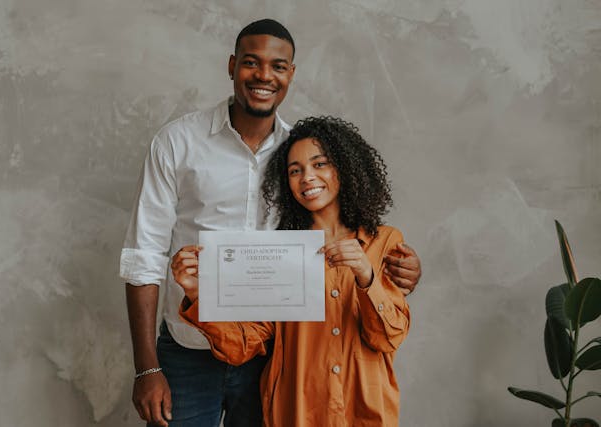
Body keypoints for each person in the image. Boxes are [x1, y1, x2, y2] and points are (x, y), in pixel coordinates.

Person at [121, 19, 421, 427]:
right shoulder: (178, 142)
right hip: (193, 347)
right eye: (251, 62)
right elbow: (144, 254)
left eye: (278, 66)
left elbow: (384, 309)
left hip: (271, 355)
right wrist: (147, 367)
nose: (264, 75)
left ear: (291, 74)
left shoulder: (296, 147)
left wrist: (392, 272)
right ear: (232, 66)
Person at [174, 116, 411, 426]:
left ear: (345, 168)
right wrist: (196, 293)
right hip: (297, 413)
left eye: (320, 164)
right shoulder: (280, 253)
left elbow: (388, 338)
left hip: (365, 411)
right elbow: (247, 343)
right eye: (295, 171)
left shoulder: (386, 242)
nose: (307, 178)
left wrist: (367, 277)